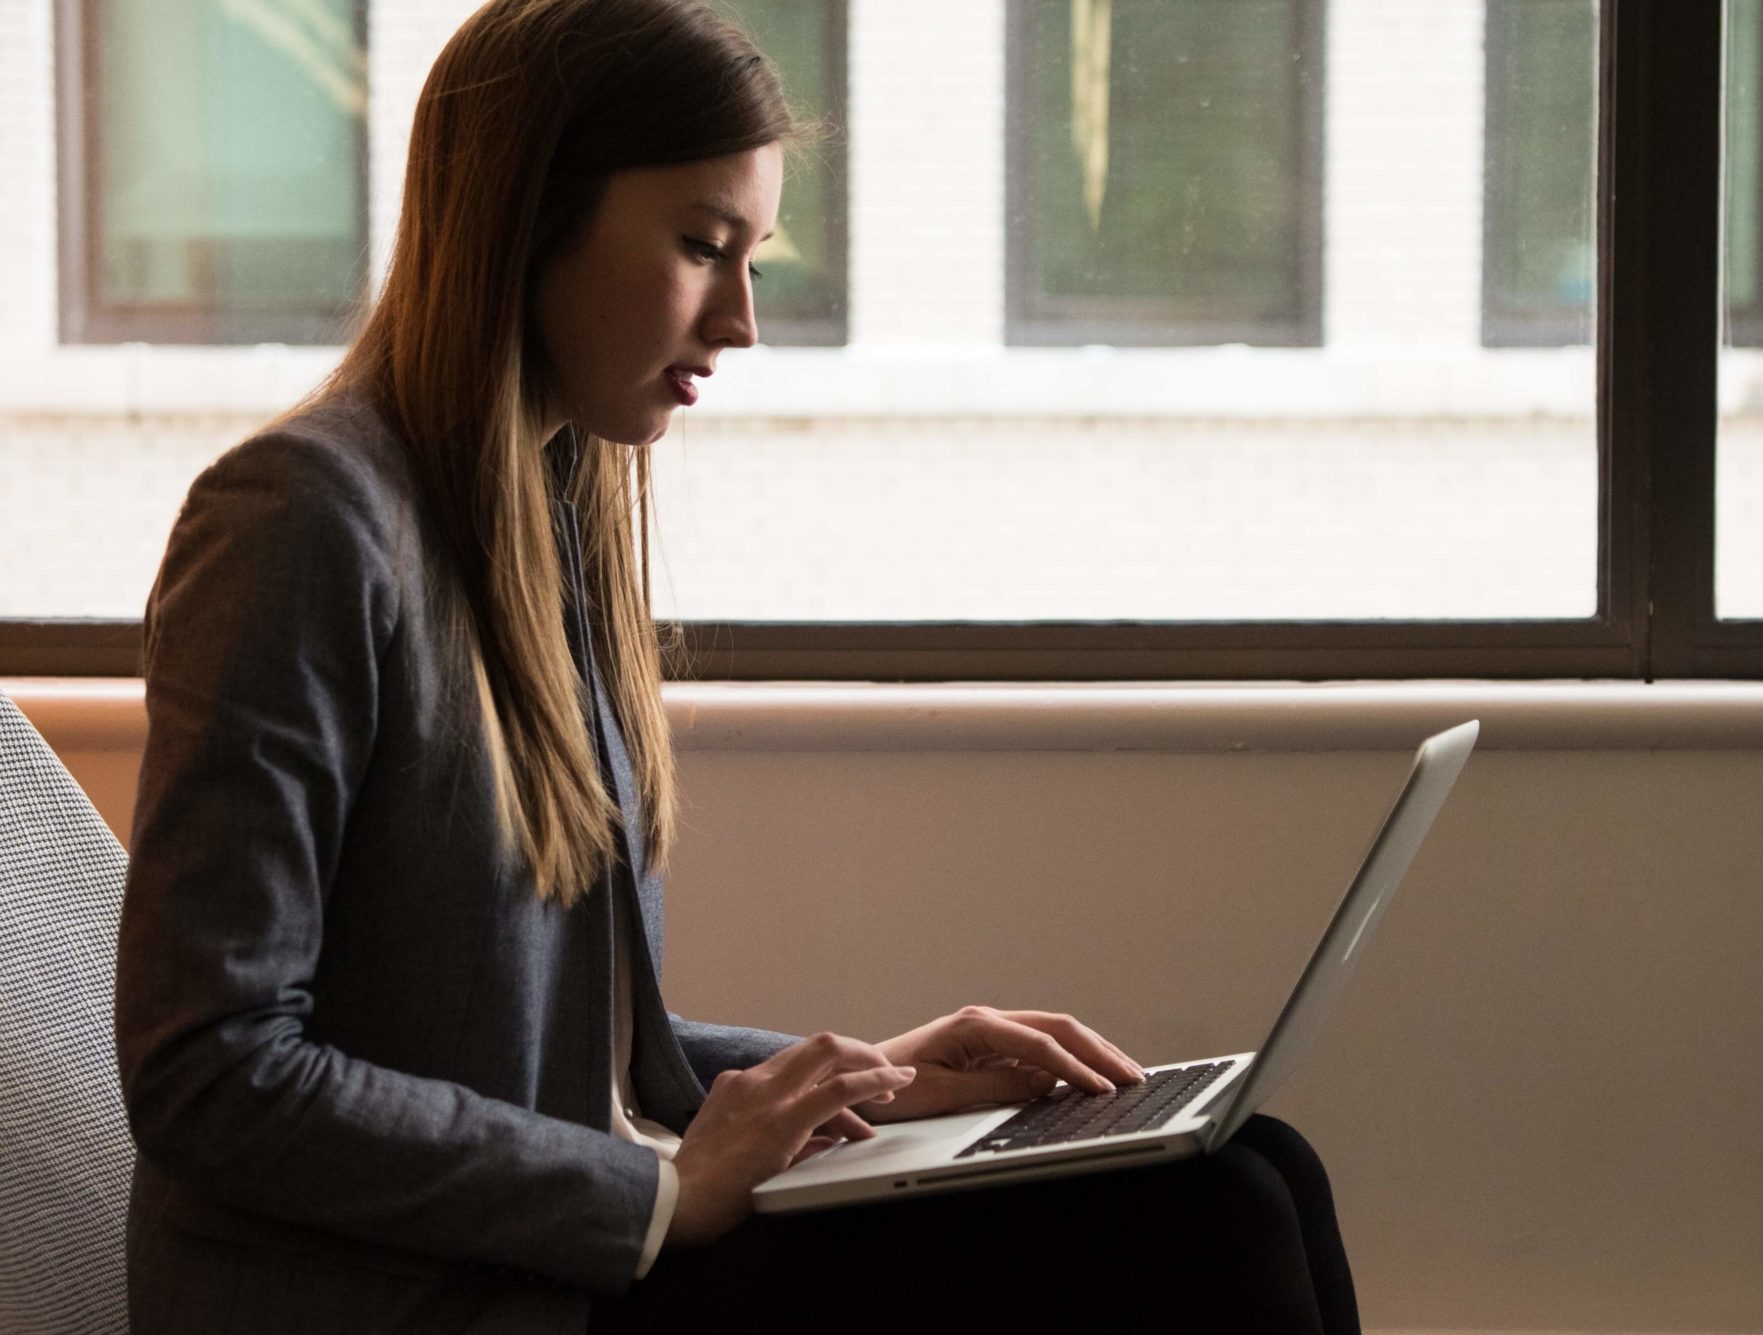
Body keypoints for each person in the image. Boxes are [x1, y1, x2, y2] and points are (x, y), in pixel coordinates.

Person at [113, 2, 1364, 1332]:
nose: (744, 322)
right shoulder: (299, 521)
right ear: (525, 219)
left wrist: (869, 1084)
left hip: (554, 1255)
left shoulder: (552, 508)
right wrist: (659, 1197)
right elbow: (212, 1069)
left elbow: (571, 1069)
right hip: (415, 1298)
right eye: (704, 248)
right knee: (1209, 1221)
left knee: (1253, 1162)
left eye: (753, 256)